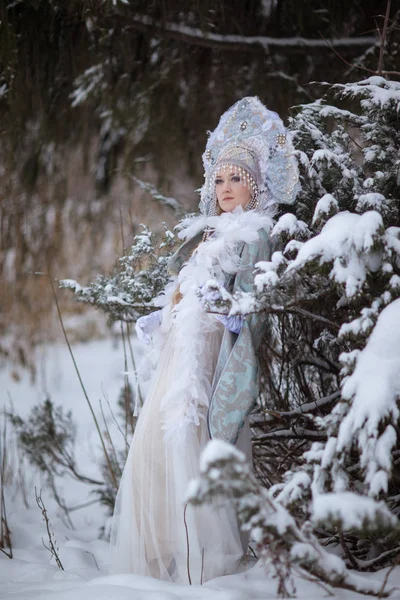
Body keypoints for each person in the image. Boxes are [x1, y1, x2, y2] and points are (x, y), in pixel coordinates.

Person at [110, 97, 300, 584]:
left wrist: (221, 310)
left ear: (255, 183)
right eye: (219, 178)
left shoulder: (255, 235)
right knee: (159, 441)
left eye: (237, 178)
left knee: (196, 442)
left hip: (213, 355)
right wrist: (173, 308)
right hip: (183, 352)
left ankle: (206, 557)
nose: (226, 188)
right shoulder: (210, 231)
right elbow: (186, 287)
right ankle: (164, 550)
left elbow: (250, 303)